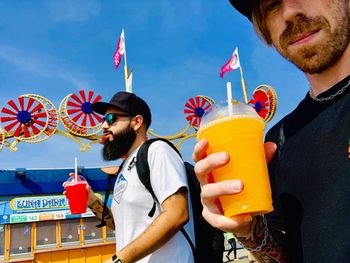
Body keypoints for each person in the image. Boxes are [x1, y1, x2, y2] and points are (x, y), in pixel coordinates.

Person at [193, 0, 350, 262]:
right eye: (272, 6)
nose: (289, 12)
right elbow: (282, 255)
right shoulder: (278, 139)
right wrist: (248, 230)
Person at [78, 91, 194, 263]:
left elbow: (177, 214)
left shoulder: (157, 150)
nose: (103, 126)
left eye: (111, 119)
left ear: (136, 122)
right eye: (103, 120)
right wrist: (92, 201)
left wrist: (118, 261)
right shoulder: (123, 170)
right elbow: (124, 227)